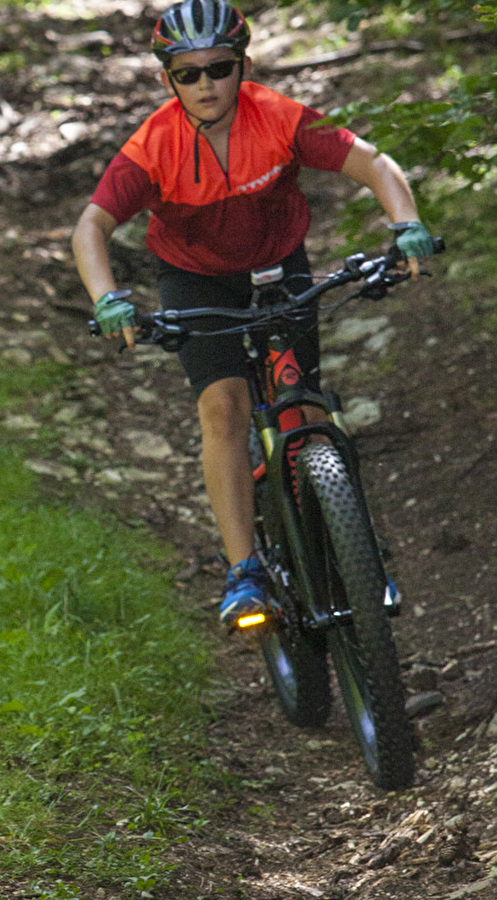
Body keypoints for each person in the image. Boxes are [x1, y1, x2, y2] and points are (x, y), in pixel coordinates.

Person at [71, 0, 434, 628]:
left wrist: (408, 226)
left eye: (219, 68)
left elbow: (371, 162)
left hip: (277, 262)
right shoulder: (153, 145)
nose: (206, 85)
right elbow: (91, 226)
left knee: (305, 401)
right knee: (224, 405)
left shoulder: (279, 117)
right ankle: (245, 570)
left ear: (242, 65)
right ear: (168, 79)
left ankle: (354, 549)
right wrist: (107, 298)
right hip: (194, 277)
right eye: (188, 74)